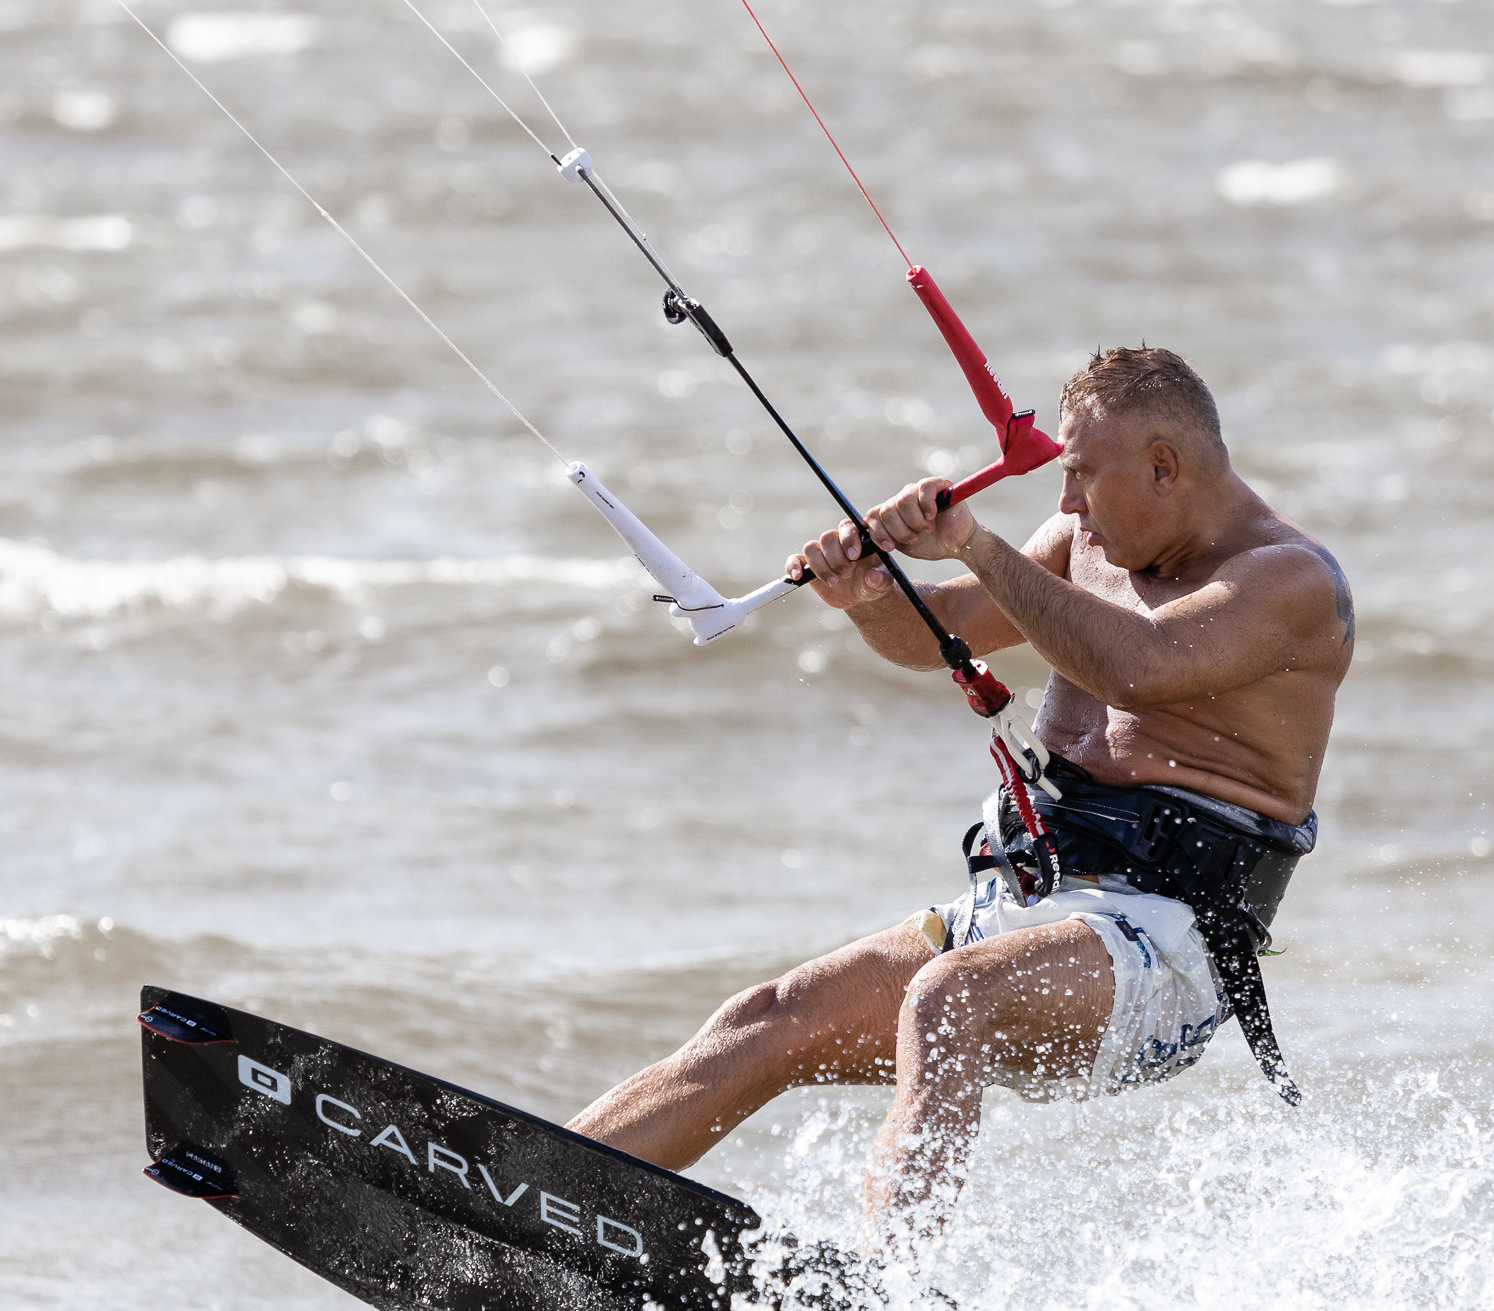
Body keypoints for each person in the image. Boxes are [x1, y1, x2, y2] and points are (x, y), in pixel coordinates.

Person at [570, 345, 1353, 1250]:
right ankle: (522, 1189)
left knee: (948, 995)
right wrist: (868, 593)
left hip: (1168, 947)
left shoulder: (1289, 580)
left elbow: (1141, 667)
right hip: (1029, 900)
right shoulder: (1085, 543)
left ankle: (892, 1302)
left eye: (1081, 475)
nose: (1067, 503)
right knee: (766, 1019)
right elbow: (937, 627)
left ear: (1164, 466)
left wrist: (975, 542)